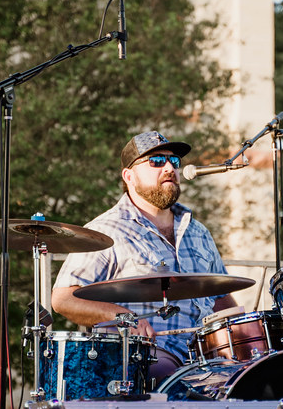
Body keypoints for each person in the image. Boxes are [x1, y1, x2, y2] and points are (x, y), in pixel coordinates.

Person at [51, 130, 238, 383]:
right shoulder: (106, 230)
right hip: (150, 356)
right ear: (129, 176)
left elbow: (221, 297)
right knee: (167, 376)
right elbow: (63, 299)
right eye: (156, 161)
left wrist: (248, 336)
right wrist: (122, 318)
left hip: (208, 356)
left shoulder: (198, 231)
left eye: (174, 161)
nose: (169, 168)